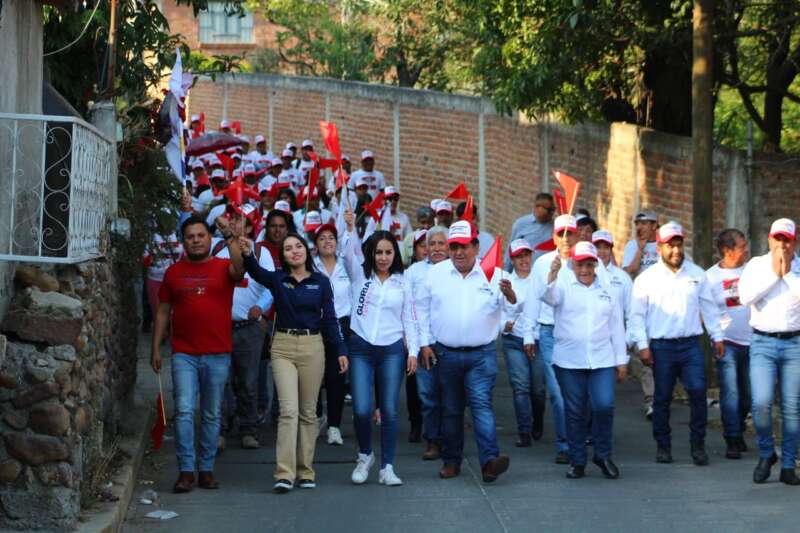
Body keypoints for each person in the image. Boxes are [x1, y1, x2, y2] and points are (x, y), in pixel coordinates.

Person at [239, 231, 348, 493]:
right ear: (283, 256)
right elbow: (254, 271)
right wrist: (246, 252)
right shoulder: (278, 279)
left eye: (298, 246)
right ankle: (285, 474)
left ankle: (306, 471)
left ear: (306, 250)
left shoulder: (321, 282)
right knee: (289, 411)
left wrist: (341, 348)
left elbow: (330, 318)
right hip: (283, 347)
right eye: (288, 249)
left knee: (308, 412)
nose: (294, 251)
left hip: (314, 346)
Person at [416, 220, 516, 483]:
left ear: (476, 246)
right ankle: (452, 461)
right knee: (450, 409)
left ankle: (489, 462)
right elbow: (422, 310)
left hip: (481, 354)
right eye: (454, 247)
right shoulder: (436, 273)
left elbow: (513, 311)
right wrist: (424, 344)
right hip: (445, 353)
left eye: (464, 247)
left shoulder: (493, 272)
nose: (459, 252)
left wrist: (511, 295)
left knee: (481, 405)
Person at [151, 216, 246, 493]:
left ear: (209, 238)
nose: (195, 240)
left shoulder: (223, 267)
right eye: (190, 236)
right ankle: (185, 471)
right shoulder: (173, 272)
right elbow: (162, 312)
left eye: (200, 235)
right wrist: (156, 348)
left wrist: (230, 237)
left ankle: (206, 470)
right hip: (184, 355)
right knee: (183, 412)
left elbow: (240, 269)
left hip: (218, 354)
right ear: (184, 241)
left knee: (211, 414)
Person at [629, 221, 724, 466]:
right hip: (661, 346)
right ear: (659, 247)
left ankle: (698, 445)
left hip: (691, 345)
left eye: (678, 245)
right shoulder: (646, 278)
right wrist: (643, 345)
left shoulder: (696, 274)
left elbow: (710, 308)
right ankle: (663, 446)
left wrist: (717, 336)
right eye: (670, 246)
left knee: (697, 392)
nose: (675, 251)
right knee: (661, 398)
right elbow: (636, 316)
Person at [341, 210, 419, 486]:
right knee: (362, 408)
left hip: (391, 350)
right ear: (371, 254)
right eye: (378, 252)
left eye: (388, 252)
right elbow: (348, 249)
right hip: (361, 347)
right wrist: (350, 227)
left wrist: (413, 352)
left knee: (388, 410)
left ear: (394, 254)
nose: (383, 257)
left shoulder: (403, 281)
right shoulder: (360, 276)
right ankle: (365, 456)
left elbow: (409, 317)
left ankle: (387, 466)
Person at [543, 241, 628, 479]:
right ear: (573, 264)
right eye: (580, 264)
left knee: (604, 405)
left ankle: (602, 454)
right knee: (575, 410)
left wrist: (621, 360)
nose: (584, 270)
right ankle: (577, 460)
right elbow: (548, 297)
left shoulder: (608, 288)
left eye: (589, 264)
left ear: (595, 265)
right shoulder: (563, 283)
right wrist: (551, 275)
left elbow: (617, 326)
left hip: (602, 358)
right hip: (569, 360)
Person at [739, 218, 800, 485]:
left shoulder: (798, 267)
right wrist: (774, 274)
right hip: (763, 343)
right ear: (769, 240)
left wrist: (787, 275)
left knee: (791, 407)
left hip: (794, 343)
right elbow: (745, 297)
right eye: (778, 239)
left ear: (795, 241)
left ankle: (788, 464)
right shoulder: (756, 265)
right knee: (761, 403)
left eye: (787, 239)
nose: (782, 245)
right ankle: (766, 453)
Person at [213, 222, 275, 451]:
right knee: (220, 380)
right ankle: (219, 429)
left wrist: (261, 307)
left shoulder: (261, 252)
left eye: (244, 222)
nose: (238, 226)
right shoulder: (216, 247)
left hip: (249, 327)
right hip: (219, 326)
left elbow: (270, 283)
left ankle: (249, 429)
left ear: (251, 226)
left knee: (248, 381)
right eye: (233, 221)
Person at [524, 214, 579, 464]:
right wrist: (528, 334)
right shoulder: (543, 263)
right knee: (557, 393)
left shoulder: (587, 264)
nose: (566, 239)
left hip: (578, 334)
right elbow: (534, 299)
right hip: (549, 333)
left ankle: (580, 435)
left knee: (580, 392)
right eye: (561, 234)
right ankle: (565, 444)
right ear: (554, 236)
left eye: (571, 233)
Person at [705, 228, 752, 460]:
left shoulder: (752, 271)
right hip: (727, 342)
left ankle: (739, 425)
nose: (746, 251)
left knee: (749, 394)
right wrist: (716, 337)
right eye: (742, 247)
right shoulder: (710, 277)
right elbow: (704, 311)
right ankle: (732, 438)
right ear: (727, 250)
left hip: (754, 340)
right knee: (731, 391)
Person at [406, 226, 450, 459]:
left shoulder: (457, 270)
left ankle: (450, 440)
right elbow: (413, 310)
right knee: (428, 396)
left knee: (451, 397)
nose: (436, 248)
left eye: (441, 243)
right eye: (431, 244)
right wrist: (422, 344)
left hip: (451, 345)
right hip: (426, 343)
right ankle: (432, 440)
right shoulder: (414, 272)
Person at [502, 239, 546, 447]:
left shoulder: (539, 280)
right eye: (519, 257)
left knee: (537, 389)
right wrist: (505, 325)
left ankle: (538, 420)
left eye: (526, 255)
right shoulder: (505, 282)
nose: (524, 260)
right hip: (513, 341)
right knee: (521, 387)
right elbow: (497, 312)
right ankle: (524, 430)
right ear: (512, 259)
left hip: (536, 339)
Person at [312, 223, 352, 446]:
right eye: (322, 238)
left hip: (342, 325)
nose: (327, 241)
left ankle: (335, 426)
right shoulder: (311, 266)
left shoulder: (347, 266)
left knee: (337, 377)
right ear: (315, 245)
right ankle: (318, 417)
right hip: (317, 325)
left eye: (331, 238)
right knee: (314, 375)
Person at [622, 209, 660, 419]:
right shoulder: (631, 246)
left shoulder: (665, 246)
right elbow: (630, 272)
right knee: (648, 355)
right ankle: (651, 401)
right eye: (638, 223)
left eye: (645, 223)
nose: (640, 227)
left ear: (655, 226)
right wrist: (640, 249)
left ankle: (661, 396)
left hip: (663, 308)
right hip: (641, 308)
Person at [507, 192, 556, 270]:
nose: (551, 213)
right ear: (535, 207)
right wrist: (506, 274)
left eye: (552, 209)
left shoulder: (555, 226)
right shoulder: (521, 224)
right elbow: (510, 250)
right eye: (548, 209)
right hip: (525, 273)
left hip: (546, 273)